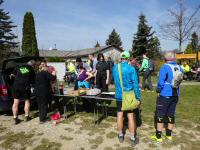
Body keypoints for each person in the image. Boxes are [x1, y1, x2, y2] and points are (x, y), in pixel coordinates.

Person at [150, 52, 184, 143]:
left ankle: (158, 136)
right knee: (171, 114)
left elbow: (161, 82)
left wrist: (158, 90)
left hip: (165, 94)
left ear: (166, 59)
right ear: (174, 59)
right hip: (175, 94)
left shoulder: (165, 67)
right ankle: (168, 134)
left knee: (160, 113)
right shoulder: (180, 67)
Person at [112, 51, 141, 145]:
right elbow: (135, 85)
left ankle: (120, 135)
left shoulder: (115, 67)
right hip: (129, 96)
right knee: (130, 117)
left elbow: (114, 80)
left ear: (121, 58)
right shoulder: (131, 68)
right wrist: (138, 98)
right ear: (128, 58)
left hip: (119, 96)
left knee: (120, 115)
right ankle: (132, 138)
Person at [11, 60, 36, 124]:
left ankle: (15, 118)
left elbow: (12, 75)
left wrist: (18, 78)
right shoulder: (31, 69)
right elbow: (33, 81)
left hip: (16, 86)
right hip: (25, 87)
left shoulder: (18, 67)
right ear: (33, 65)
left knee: (15, 102)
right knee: (27, 101)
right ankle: (26, 117)